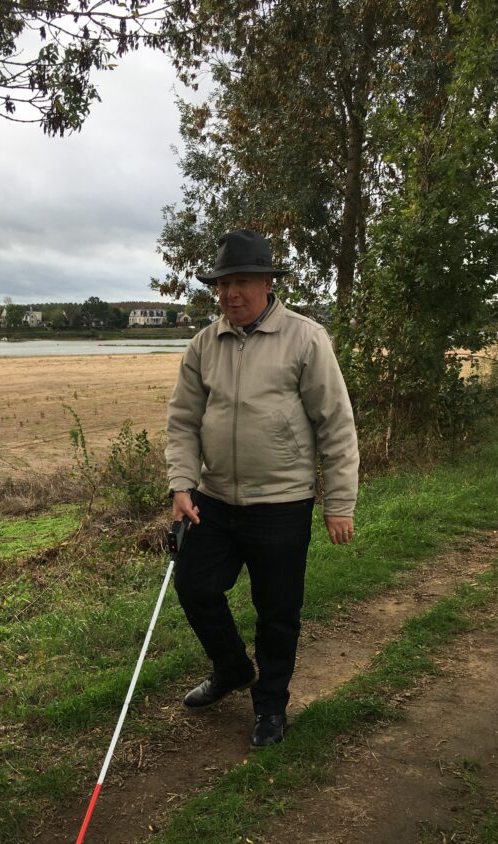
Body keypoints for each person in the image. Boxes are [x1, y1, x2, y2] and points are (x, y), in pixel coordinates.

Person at [165, 229, 359, 748]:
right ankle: (231, 668)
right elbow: (183, 422)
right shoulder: (205, 343)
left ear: (268, 283)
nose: (231, 294)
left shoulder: (305, 338)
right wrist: (182, 485)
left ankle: (270, 708)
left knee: (277, 613)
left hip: (283, 505)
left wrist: (339, 503)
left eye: (242, 282)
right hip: (214, 502)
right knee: (194, 587)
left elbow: (335, 424)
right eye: (223, 284)